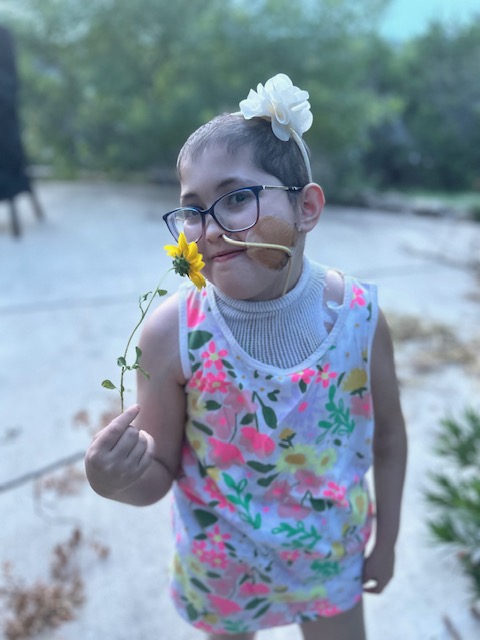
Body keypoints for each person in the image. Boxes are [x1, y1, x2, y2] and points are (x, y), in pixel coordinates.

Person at [85, 73, 407, 640]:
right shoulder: (171, 334)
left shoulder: (358, 316)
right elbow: (158, 473)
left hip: (328, 557)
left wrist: (390, 541)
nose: (208, 229)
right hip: (222, 570)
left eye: (236, 198)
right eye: (193, 209)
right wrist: (114, 481)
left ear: (306, 207)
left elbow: (387, 439)